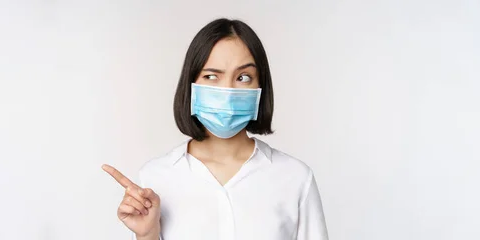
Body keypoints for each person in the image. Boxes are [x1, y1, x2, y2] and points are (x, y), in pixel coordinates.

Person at [102, 18, 329, 240]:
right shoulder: (154, 178)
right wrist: (147, 235)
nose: (228, 91)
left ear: (260, 87)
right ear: (191, 85)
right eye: (211, 76)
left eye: (243, 77)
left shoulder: (295, 178)